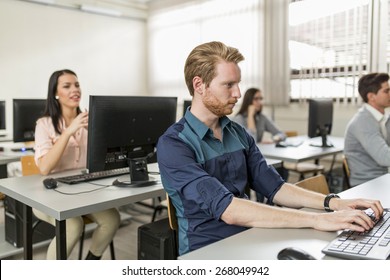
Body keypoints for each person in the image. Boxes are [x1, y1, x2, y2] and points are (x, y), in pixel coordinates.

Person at [156, 41, 383, 256]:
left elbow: (275, 187)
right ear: (199, 85)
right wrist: (317, 220)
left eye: (238, 83)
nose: (237, 93)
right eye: (228, 85)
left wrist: (333, 203)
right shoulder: (174, 144)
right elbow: (229, 209)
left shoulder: (237, 133)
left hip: (251, 234)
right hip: (207, 250)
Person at [33, 69, 120, 260]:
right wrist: (68, 132)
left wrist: (102, 132)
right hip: (48, 194)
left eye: (77, 85)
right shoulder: (44, 124)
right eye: (67, 86)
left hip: (82, 191)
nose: (75, 90)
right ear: (56, 93)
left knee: (112, 218)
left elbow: (105, 158)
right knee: (73, 224)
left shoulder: (91, 121)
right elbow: (44, 168)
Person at [232, 87, 288, 202]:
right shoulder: (238, 119)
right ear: (249, 101)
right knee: (262, 174)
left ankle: (270, 203)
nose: (259, 102)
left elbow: (281, 134)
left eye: (261, 99)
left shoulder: (262, 118)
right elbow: (250, 141)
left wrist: (273, 139)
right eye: (256, 99)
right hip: (246, 161)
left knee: (282, 170)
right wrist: (251, 117)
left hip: (263, 156)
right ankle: (261, 203)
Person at [344, 72, 390, 186]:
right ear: (371, 97)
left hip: (381, 179)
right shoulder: (363, 122)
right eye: (386, 91)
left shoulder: (382, 118)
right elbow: (385, 158)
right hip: (366, 185)